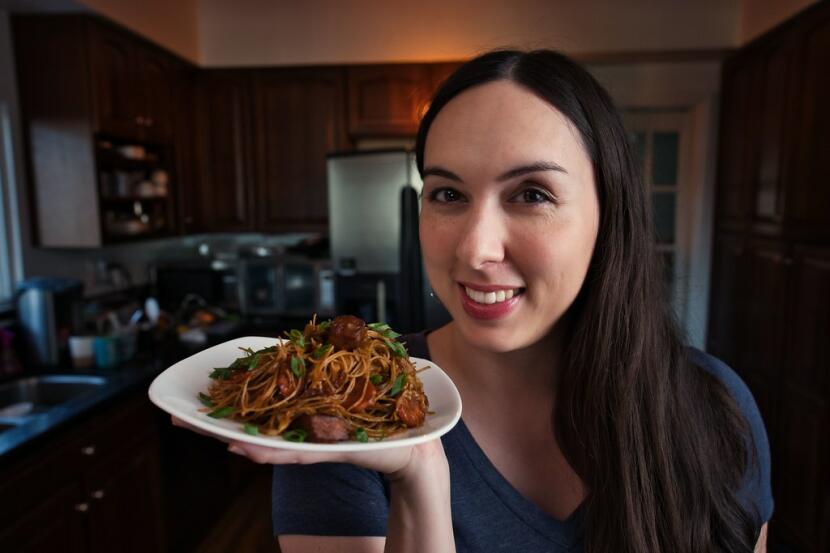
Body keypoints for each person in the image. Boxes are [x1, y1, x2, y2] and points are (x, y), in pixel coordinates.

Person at [176, 49, 773, 553]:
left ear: (608, 216)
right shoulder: (346, 416)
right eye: (447, 193)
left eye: (532, 193)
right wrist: (419, 478)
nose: (476, 248)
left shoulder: (714, 409)